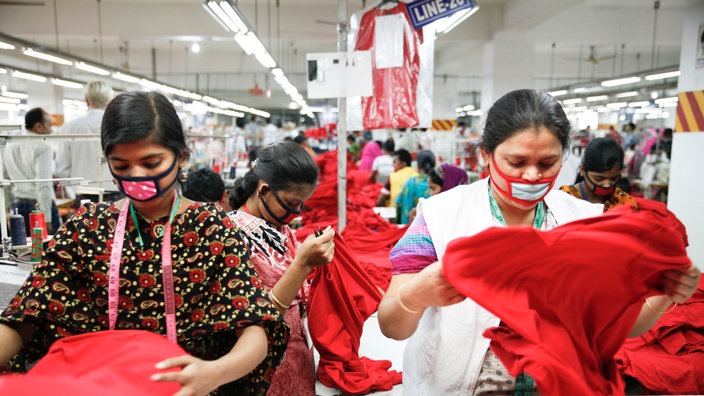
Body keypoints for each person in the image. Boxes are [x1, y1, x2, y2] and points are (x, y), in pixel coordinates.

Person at [376, 89, 701, 395]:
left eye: (547, 163)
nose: (532, 175)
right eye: (517, 162)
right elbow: (391, 326)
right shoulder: (439, 217)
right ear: (486, 155)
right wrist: (418, 294)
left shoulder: (586, 222)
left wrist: (662, 295)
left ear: (564, 159)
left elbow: (618, 327)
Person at [0, 91, 288, 395]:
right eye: (121, 166)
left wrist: (214, 372)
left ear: (182, 158)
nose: (136, 177)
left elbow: (255, 329)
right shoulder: (88, 228)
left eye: (151, 163)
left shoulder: (211, 228)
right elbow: (24, 317)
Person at [227, 141, 335, 395]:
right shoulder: (230, 236)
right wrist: (303, 265)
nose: (297, 213)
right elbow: (254, 319)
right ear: (264, 190)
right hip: (263, 373)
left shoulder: (279, 228)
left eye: (302, 204)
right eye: (291, 202)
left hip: (296, 363)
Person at [55, 80, 120, 204]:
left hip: (84, 195)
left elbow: (62, 168)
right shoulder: (119, 124)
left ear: (86, 100)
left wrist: (73, 190)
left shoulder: (70, 127)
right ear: (110, 100)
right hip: (117, 194)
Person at [3, 107, 60, 235]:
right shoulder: (43, 147)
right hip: (39, 207)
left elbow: (5, 179)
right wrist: (47, 219)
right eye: (49, 125)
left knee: (23, 253)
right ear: (38, 126)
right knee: (50, 251)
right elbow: (43, 184)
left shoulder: (9, 145)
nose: (51, 130)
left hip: (18, 206)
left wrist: (7, 211)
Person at [560, 137, 638, 212]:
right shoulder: (564, 199)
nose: (607, 185)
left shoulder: (624, 203)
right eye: (599, 179)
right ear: (582, 170)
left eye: (613, 179)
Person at [395, 150, 435, 224]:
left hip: (410, 229)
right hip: (432, 229)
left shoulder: (411, 182)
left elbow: (398, 203)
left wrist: (398, 222)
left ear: (418, 166)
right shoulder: (438, 185)